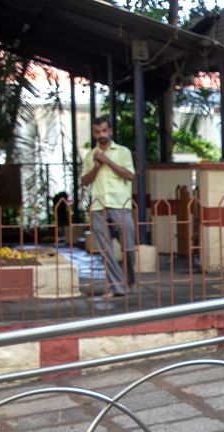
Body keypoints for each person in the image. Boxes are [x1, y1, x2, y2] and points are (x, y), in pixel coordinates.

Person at [81, 116, 137, 297]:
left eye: (104, 131)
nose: (101, 135)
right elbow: (84, 181)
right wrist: (97, 166)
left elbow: (129, 175)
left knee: (128, 247)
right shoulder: (90, 155)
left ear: (110, 131)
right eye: (97, 132)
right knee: (106, 250)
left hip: (120, 204)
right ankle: (116, 287)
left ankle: (130, 281)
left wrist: (108, 161)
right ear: (94, 133)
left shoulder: (123, 152)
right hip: (99, 206)